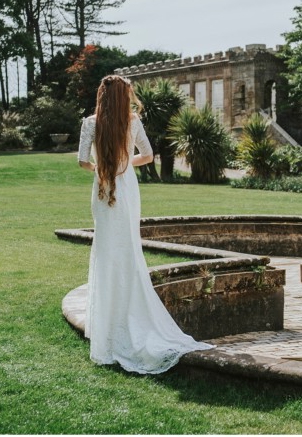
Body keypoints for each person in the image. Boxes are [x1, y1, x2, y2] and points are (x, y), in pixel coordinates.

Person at [77, 74, 214, 374]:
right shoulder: (132, 122)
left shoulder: (89, 123)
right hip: (125, 189)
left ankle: (108, 327)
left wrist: (102, 169)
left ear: (102, 96)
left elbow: (82, 161)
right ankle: (129, 319)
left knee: (107, 252)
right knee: (127, 251)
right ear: (122, 97)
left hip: (102, 189)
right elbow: (148, 156)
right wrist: (125, 166)